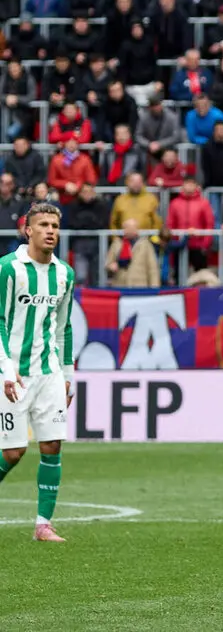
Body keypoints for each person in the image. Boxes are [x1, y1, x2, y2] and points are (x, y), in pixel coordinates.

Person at [0, 203, 75, 543]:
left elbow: (64, 327)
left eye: (55, 225)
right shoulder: (8, 269)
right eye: (43, 224)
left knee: (52, 445)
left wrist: (68, 372)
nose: (50, 231)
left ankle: (43, 525)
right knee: (13, 452)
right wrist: (5, 370)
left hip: (49, 373)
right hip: (12, 373)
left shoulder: (65, 274)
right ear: (27, 230)